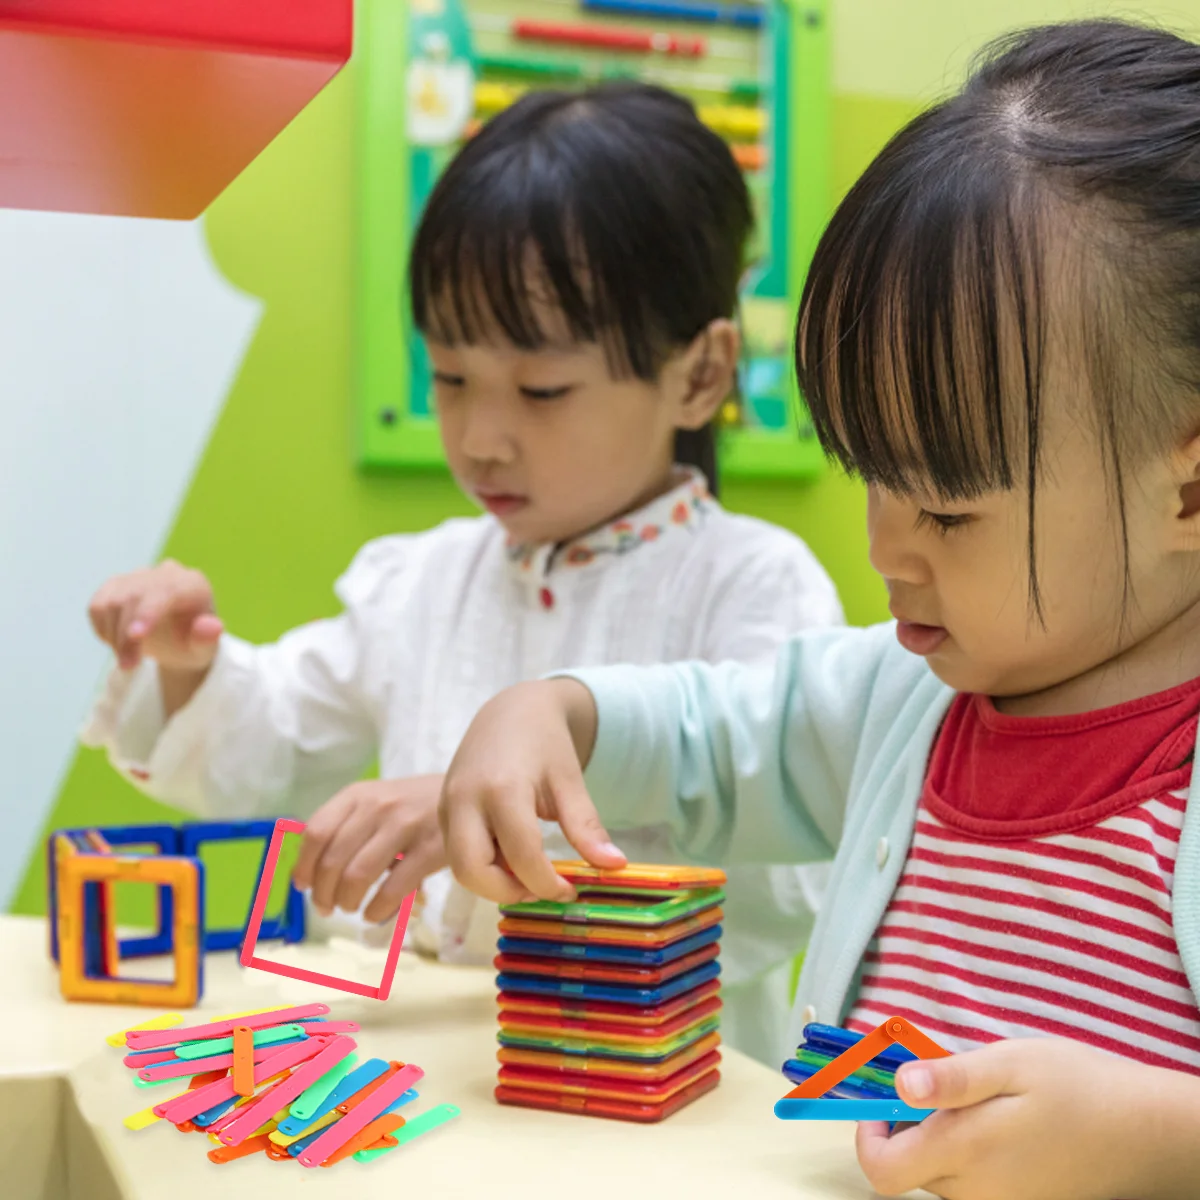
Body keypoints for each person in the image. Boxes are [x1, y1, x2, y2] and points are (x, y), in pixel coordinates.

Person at [438, 22, 1200, 1200]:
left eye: (947, 509)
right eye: (872, 476)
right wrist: (558, 712)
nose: (885, 543)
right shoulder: (912, 697)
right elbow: (719, 735)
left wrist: (1163, 1139)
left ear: (1188, 489)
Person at [82, 83, 843, 1067]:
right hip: (410, 1075)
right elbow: (271, 745)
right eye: (449, 377)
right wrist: (191, 664)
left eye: (541, 389)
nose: (481, 437)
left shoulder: (754, 587)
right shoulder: (426, 580)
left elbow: (787, 870)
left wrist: (491, 818)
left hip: (637, 1087)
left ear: (699, 375)